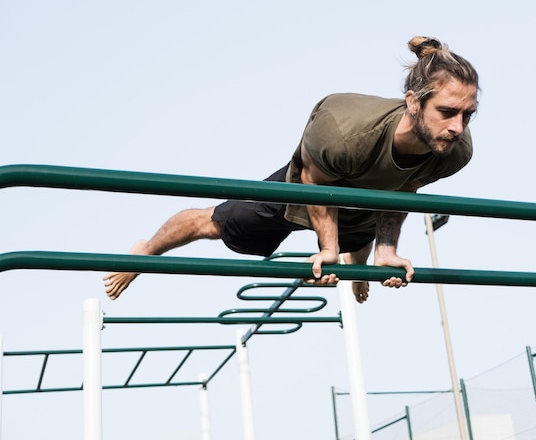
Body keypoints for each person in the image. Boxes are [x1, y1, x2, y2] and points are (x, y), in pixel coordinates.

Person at [104, 36, 479, 303]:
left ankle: (357, 255)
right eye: (447, 112)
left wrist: (386, 251)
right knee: (213, 222)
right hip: (309, 183)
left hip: (368, 196)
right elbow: (315, 182)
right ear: (413, 102)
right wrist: (327, 249)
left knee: (360, 229)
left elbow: (402, 190)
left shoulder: (454, 150)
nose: (458, 127)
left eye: (468, 114)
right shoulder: (345, 132)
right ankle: (146, 251)